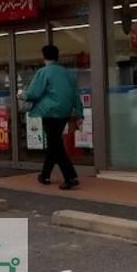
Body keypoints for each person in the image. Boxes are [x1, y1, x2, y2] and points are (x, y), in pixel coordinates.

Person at [21, 44, 84, 190]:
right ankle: (45, 175)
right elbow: (75, 94)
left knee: (56, 144)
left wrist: (22, 95)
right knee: (54, 143)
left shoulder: (44, 72)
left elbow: (33, 94)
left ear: (44, 57)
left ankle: (70, 177)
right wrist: (79, 113)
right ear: (57, 56)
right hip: (64, 112)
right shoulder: (67, 73)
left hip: (48, 112)